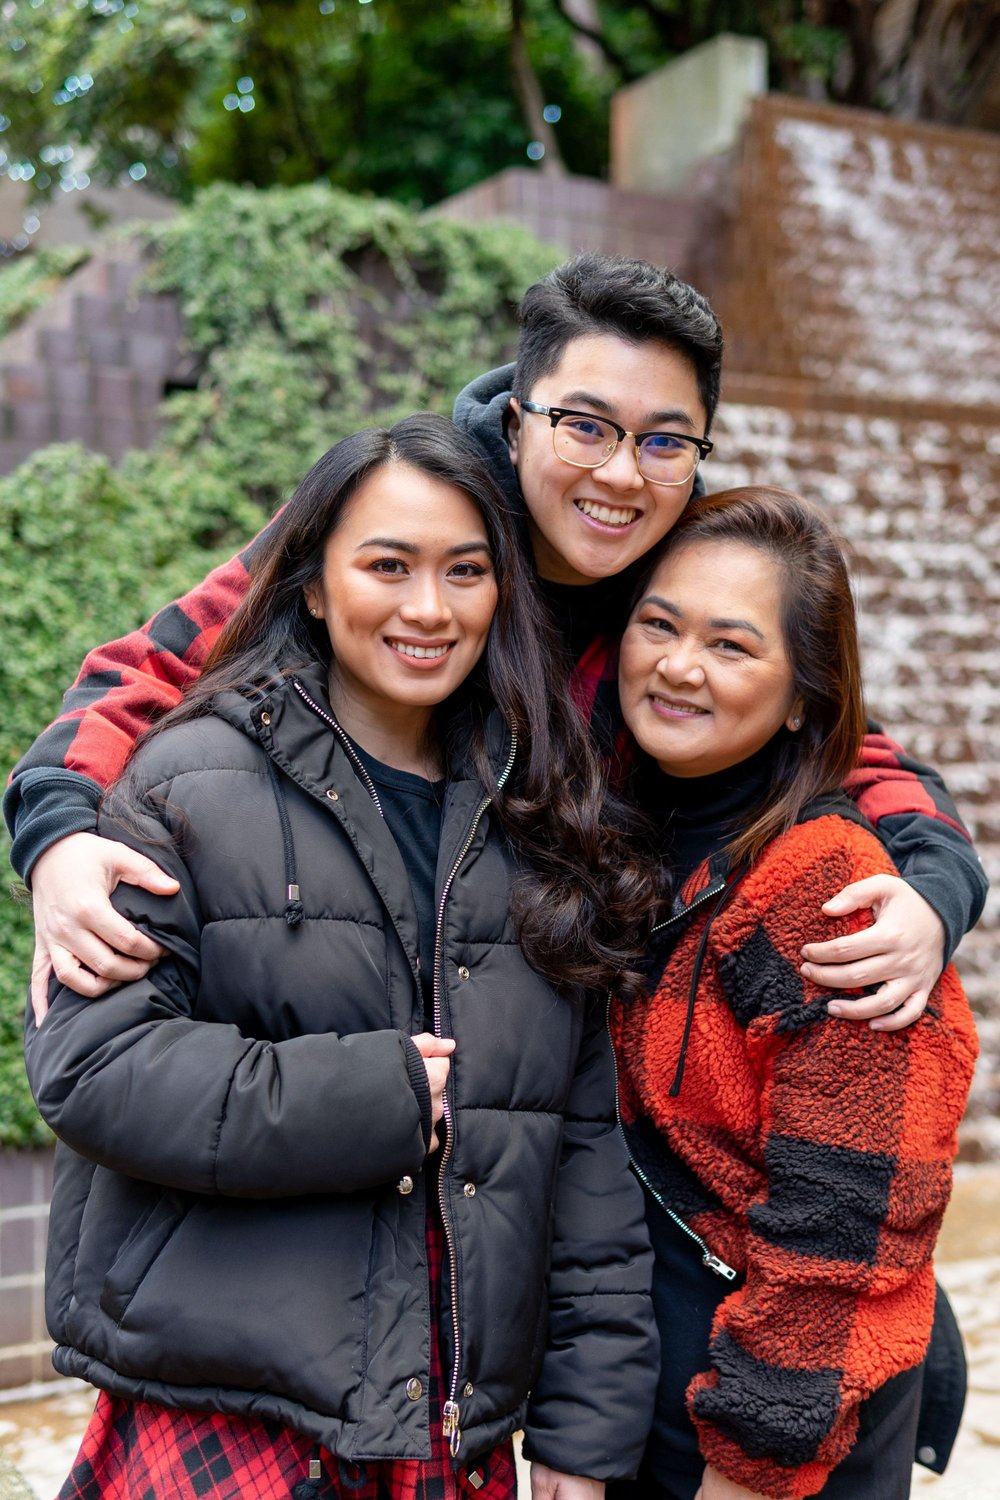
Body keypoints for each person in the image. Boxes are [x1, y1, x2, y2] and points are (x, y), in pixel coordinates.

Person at [5, 257, 986, 1033]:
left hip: (560, 1010)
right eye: (584, 426)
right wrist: (59, 837)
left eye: (663, 442)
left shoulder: (684, 567)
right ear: (517, 420)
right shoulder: (407, 507)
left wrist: (934, 892)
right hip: (328, 952)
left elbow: (845, 743)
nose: (621, 476)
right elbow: (158, 660)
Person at [24, 414, 659, 1500]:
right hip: (230, 1416)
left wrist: (584, 1428)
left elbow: (584, 1154)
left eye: (466, 571)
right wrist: (377, 1095)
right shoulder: (184, 780)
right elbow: (91, 1069)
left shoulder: (541, 820)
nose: (429, 609)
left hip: (449, 1430)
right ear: (312, 585)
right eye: (387, 566)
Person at [608, 487, 978, 1500]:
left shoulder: (829, 893)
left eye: (731, 646)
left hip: (773, 1448)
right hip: (646, 1406)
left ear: (805, 698)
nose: (679, 667)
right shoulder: (631, 832)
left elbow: (847, 1231)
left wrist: (751, 1464)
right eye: (658, 626)